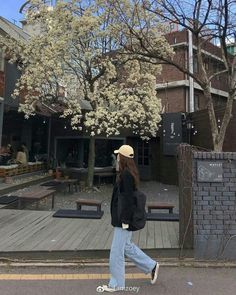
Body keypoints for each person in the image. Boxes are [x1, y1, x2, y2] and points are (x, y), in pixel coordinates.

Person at [98, 144, 159, 292]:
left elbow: (126, 199)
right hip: (124, 218)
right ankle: (151, 266)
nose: (117, 157)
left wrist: (124, 220)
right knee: (127, 247)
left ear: (123, 157)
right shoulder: (129, 172)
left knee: (116, 252)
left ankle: (116, 284)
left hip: (123, 219)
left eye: (118, 155)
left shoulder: (125, 175)